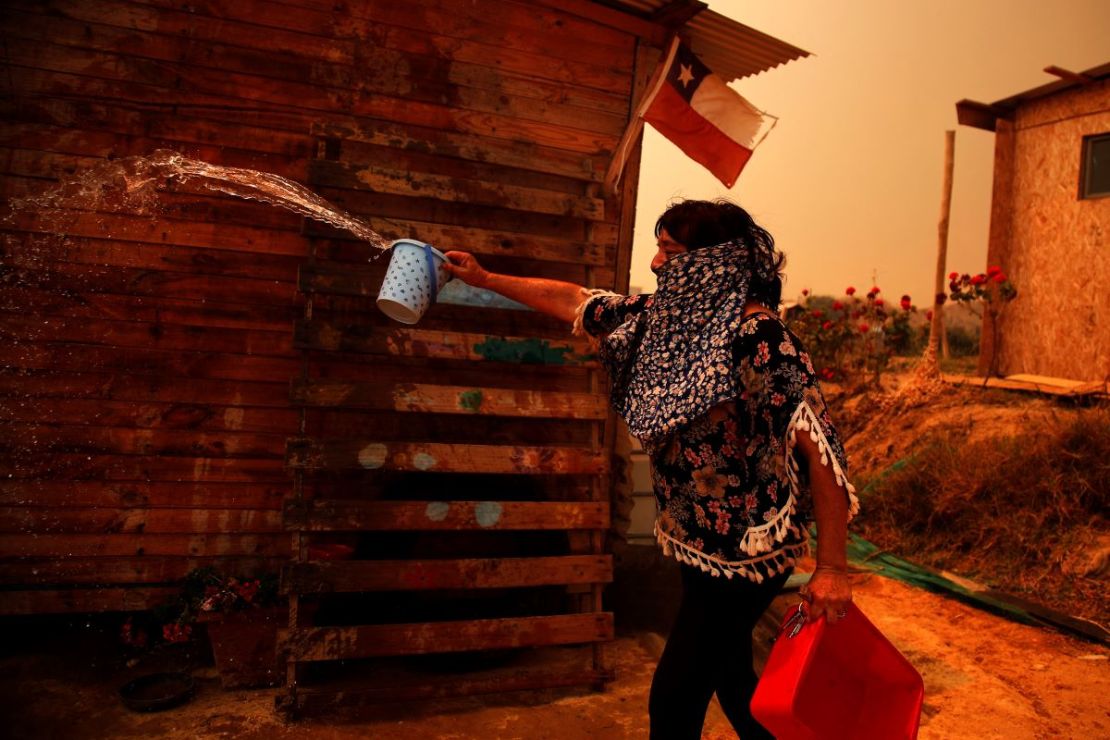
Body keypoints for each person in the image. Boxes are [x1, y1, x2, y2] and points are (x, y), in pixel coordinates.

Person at [443, 198, 858, 740]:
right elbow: (576, 300)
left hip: (749, 553)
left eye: (671, 252)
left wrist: (831, 569)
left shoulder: (760, 340)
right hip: (698, 544)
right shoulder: (664, 322)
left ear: (711, 264)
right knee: (733, 680)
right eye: (658, 249)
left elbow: (821, 451)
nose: (658, 264)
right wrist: (485, 276)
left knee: (674, 696)